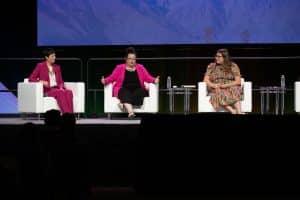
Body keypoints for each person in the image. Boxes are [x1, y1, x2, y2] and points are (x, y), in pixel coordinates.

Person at [101, 47, 159, 118]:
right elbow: (112, 77)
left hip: (137, 90)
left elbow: (148, 77)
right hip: (124, 89)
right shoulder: (119, 68)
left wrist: (154, 80)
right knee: (124, 92)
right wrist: (105, 81)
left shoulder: (141, 67)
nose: (132, 61)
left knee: (141, 92)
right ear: (126, 59)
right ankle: (131, 112)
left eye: (134, 59)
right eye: (130, 59)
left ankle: (123, 102)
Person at [28, 48, 73, 113]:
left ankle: (71, 115)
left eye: (55, 56)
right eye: (52, 56)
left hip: (57, 88)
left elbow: (60, 81)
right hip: (47, 90)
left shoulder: (57, 67)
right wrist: (41, 81)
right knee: (60, 92)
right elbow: (31, 78)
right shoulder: (40, 66)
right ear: (46, 57)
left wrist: (61, 87)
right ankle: (66, 115)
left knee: (69, 92)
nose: (54, 57)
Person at [203, 48, 244, 114]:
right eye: (216, 56)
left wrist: (225, 85)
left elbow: (238, 81)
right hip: (216, 86)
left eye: (219, 56)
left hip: (229, 85)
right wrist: (213, 85)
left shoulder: (233, 66)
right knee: (218, 90)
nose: (216, 58)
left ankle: (239, 112)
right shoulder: (211, 66)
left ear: (225, 57)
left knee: (235, 88)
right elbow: (205, 79)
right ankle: (232, 111)